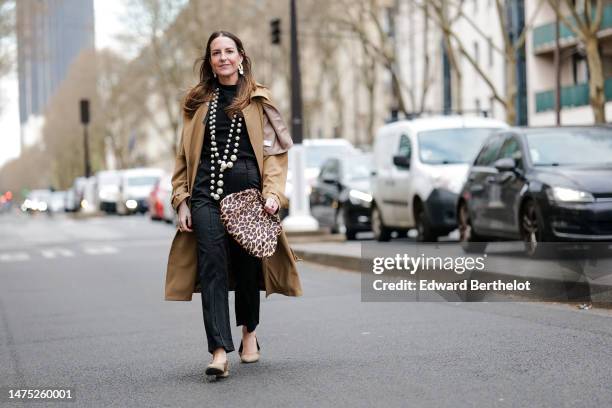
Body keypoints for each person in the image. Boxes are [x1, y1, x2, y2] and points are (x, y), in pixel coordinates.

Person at [165, 30, 303, 380]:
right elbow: (182, 157)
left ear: (241, 56)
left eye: (229, 51)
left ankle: (249, 332)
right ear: (209, 61)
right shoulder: (197, 102)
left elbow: (275, 155)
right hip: (205, 196)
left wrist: (273, 193)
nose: (223, 58)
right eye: (216, 53)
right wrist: (181, 200)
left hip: (248, 198)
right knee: (211, 265)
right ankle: (218, 352)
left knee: (246, 268)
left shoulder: (259, 99)